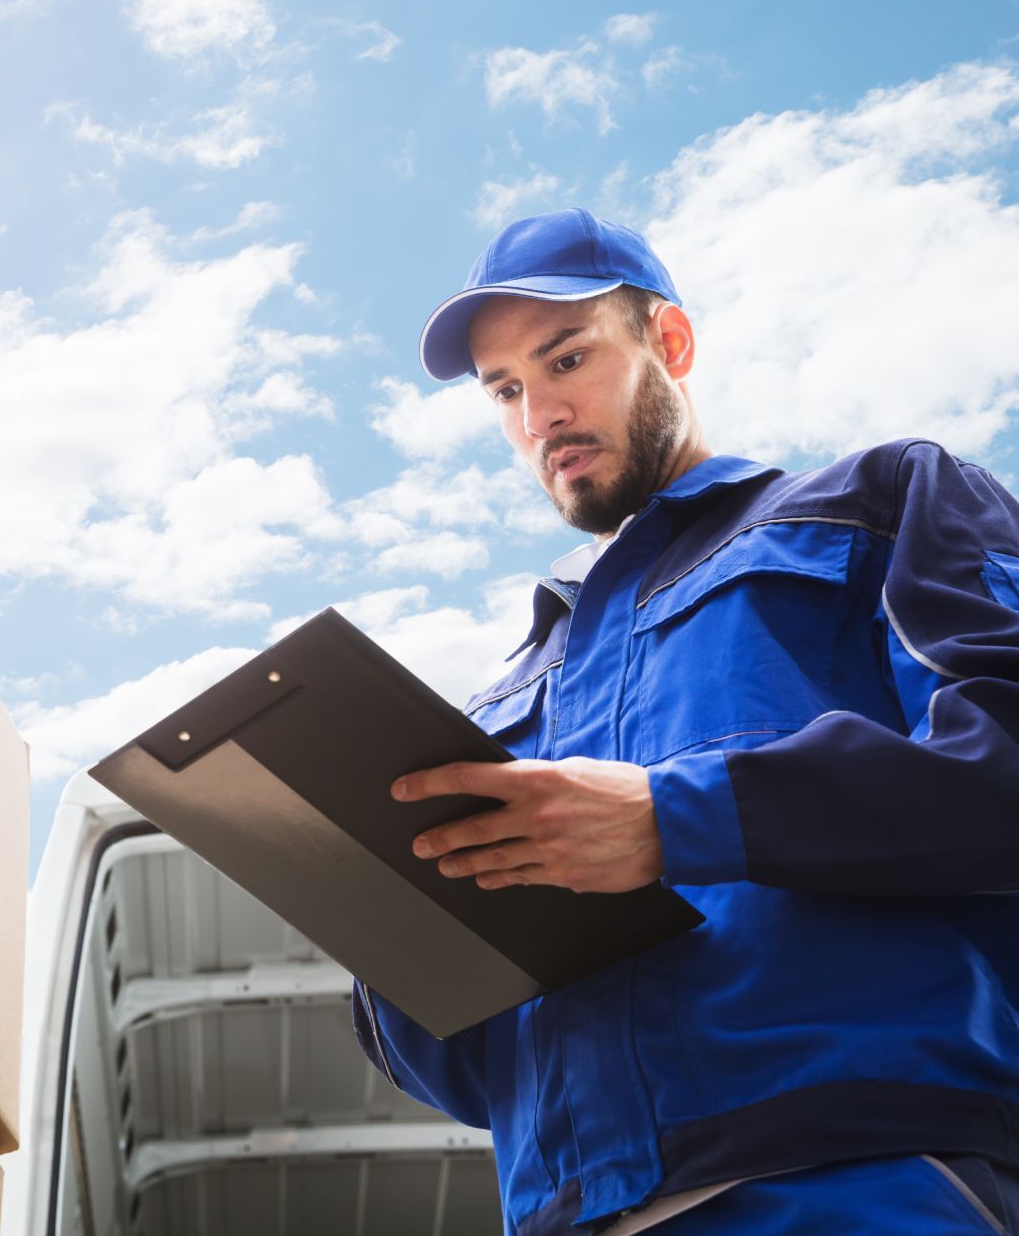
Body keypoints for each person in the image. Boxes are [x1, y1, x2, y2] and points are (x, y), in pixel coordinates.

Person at [349, 208, 1019, 1235]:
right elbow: (469, 1073)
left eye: (566, 357)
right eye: (506, 391)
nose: (540, 414)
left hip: (857, 1180)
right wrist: (391, 949)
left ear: (669, 343)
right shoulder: (496, 710)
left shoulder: (877, 507)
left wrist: (678, 816)